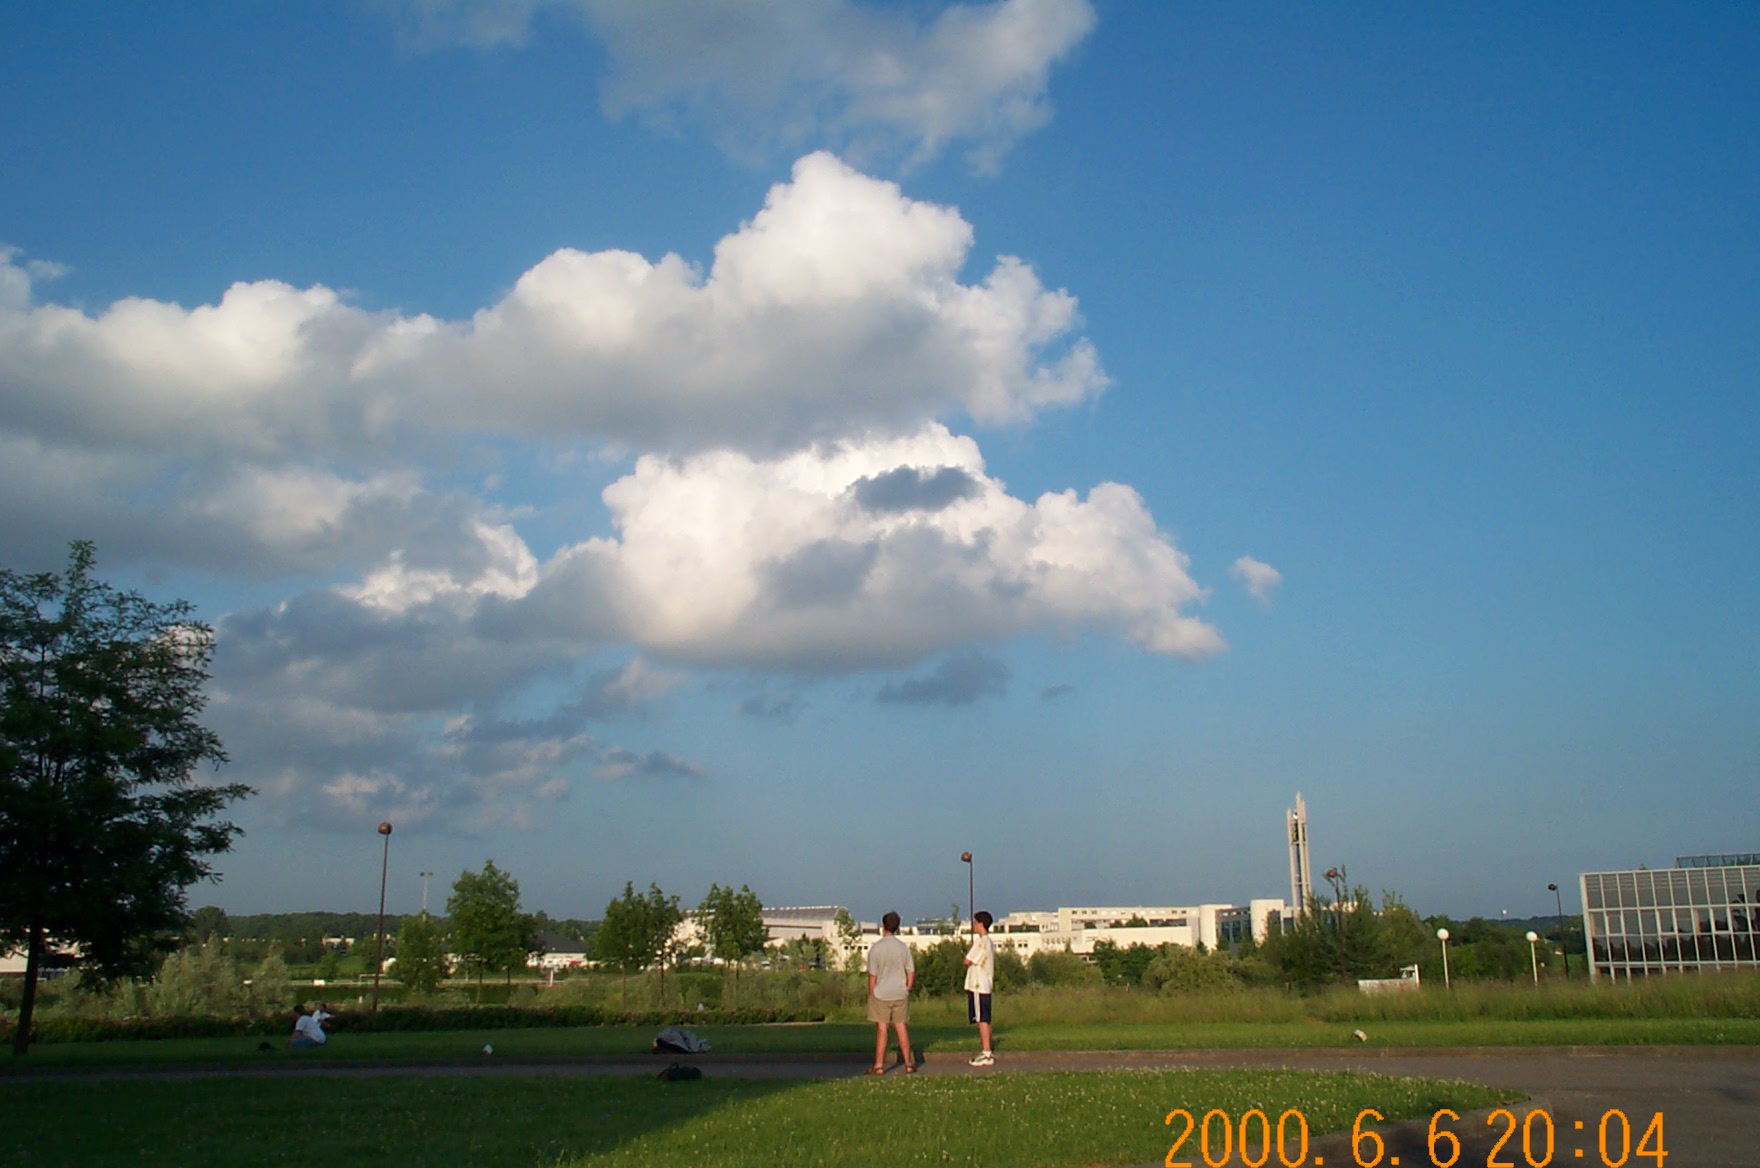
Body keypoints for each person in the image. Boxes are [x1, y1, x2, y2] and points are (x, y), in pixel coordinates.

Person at [865, 910, 915, 1075]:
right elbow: (910, 971)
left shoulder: (876, 948)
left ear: (883, 926)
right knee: (901, 1027)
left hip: (881, 993)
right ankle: (908, 1064)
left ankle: (879, 1065)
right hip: (900, 992)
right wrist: (907, 988)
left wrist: (871, 993)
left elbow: (873, 975)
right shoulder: (903, 948)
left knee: (882, 1028)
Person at [963, 910, 996, 1066]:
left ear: (981, 924)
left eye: (975, 922)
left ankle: (986, 1052)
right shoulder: (988, 942)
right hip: (985, 985)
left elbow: (968, 960)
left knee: (981, 1019)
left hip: (978, 985)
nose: (973, 925)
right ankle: (987, 1049)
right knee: (984, 1018)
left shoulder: (981, 942)